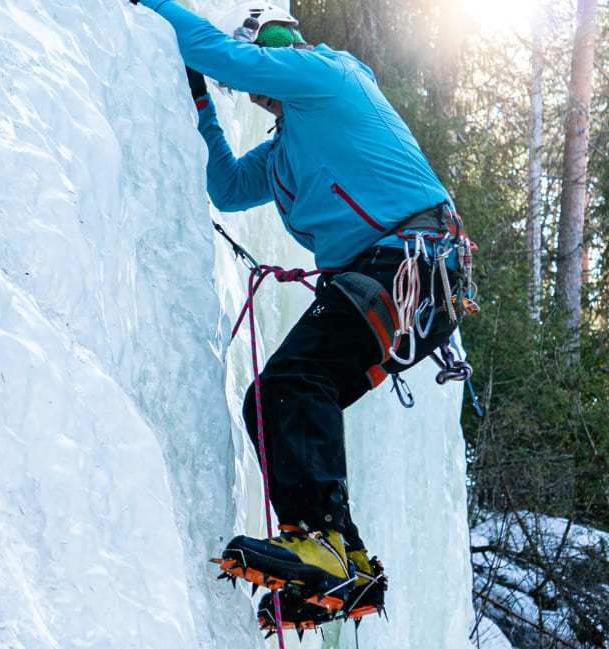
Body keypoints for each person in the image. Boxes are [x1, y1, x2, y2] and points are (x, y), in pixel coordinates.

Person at [126, 0, 475, 631]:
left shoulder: (328, 76)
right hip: (399, 282)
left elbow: (216, 48)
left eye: (274, 51)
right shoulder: (284, 154)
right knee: (274, 403)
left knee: (291, 385)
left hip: (408, 262)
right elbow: (228, 189)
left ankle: (317, 539)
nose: (266, 80)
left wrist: (152, 9)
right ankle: (350, 562)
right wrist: (201, 103)